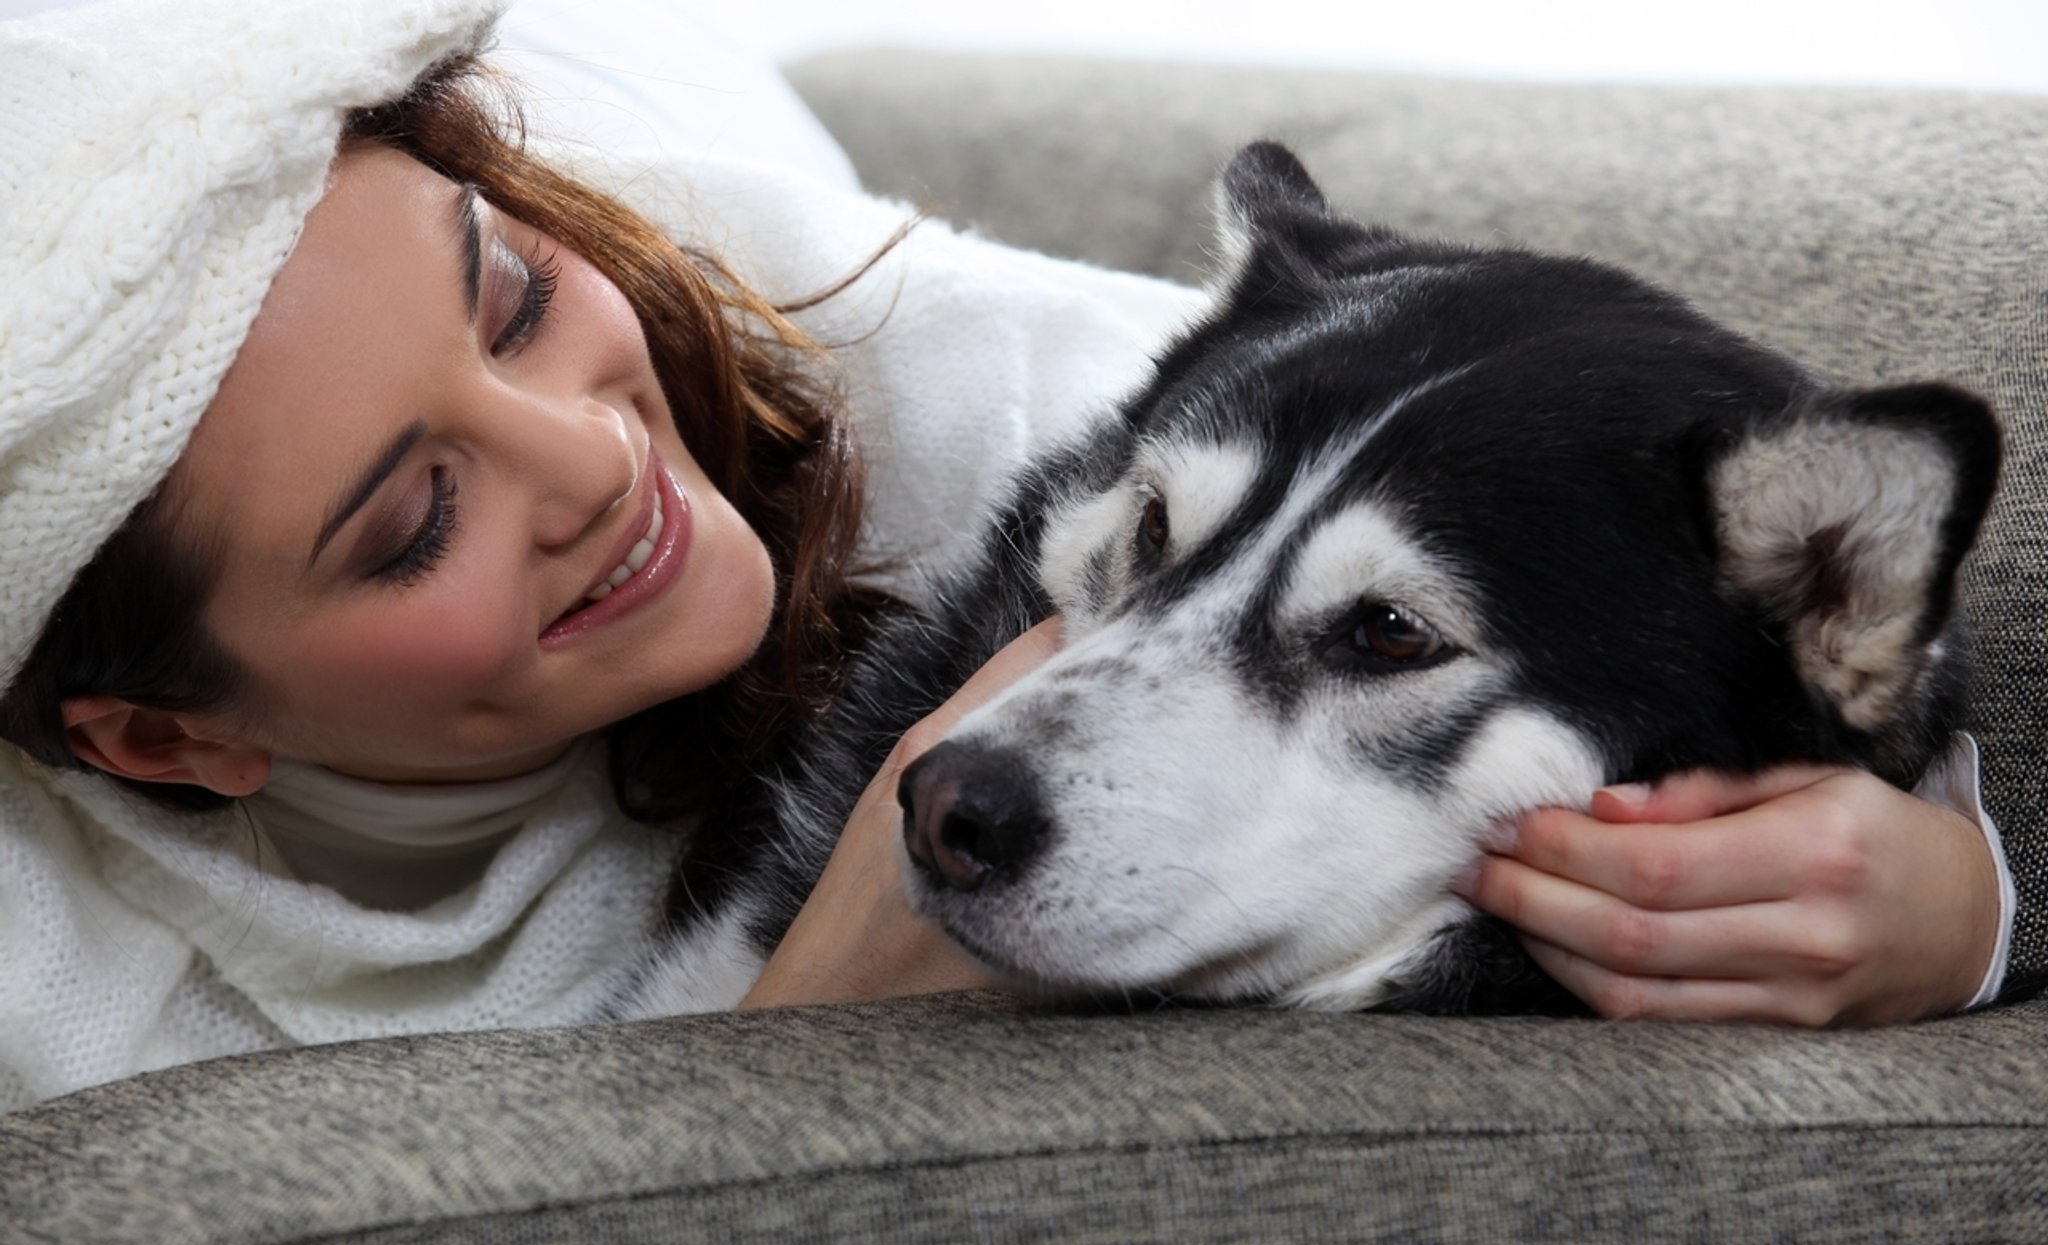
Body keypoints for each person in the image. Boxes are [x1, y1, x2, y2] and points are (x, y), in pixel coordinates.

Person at [0, 0, 2022, 1114]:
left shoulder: (993, 390)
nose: (599, 455)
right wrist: (812, 1008)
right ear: (168, 739)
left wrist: (1960, 899)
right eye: (412, 517)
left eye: (515, 303)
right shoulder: (57, 979)